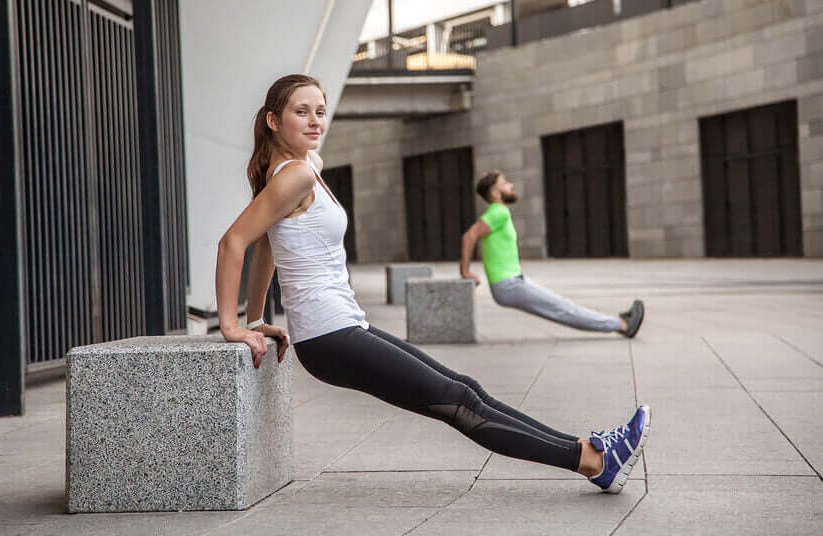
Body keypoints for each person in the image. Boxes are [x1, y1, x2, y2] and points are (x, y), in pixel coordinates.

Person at [215, 74, 650, 494]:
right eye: (301, 112)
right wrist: (234, 327)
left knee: (465, 389)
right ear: (274, 120)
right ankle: (592, 462)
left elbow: (267, 247)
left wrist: (257, 317)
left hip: (341, 327)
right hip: (329, 336)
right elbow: (234, 243)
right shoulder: (298, 175)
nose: (315, 121)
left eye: (321, 112)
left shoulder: (300, 168)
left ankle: (589, 451)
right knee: (456, 403)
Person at [460, 170, 645, 338]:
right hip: (508, 285)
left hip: (512, 282)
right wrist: (465, 271)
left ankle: (618, 322)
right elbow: (469, 236)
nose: (511, 185)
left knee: (562, 307)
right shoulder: (498, 213)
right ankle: (622, 325)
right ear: (494, 191)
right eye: (505, 183)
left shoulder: (499, 213)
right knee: (563, 309)